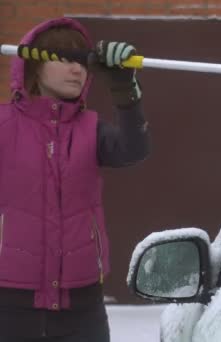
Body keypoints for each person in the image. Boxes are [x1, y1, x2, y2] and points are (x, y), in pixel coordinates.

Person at [0, 17, 150, 341]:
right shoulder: (3, 126)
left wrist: (124, 87)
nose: (77, 69)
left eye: (83, 61)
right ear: (33, 66)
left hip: (82, 308)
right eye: (65, 59)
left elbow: (134, 148)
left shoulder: (91, 128)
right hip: (10, 305)